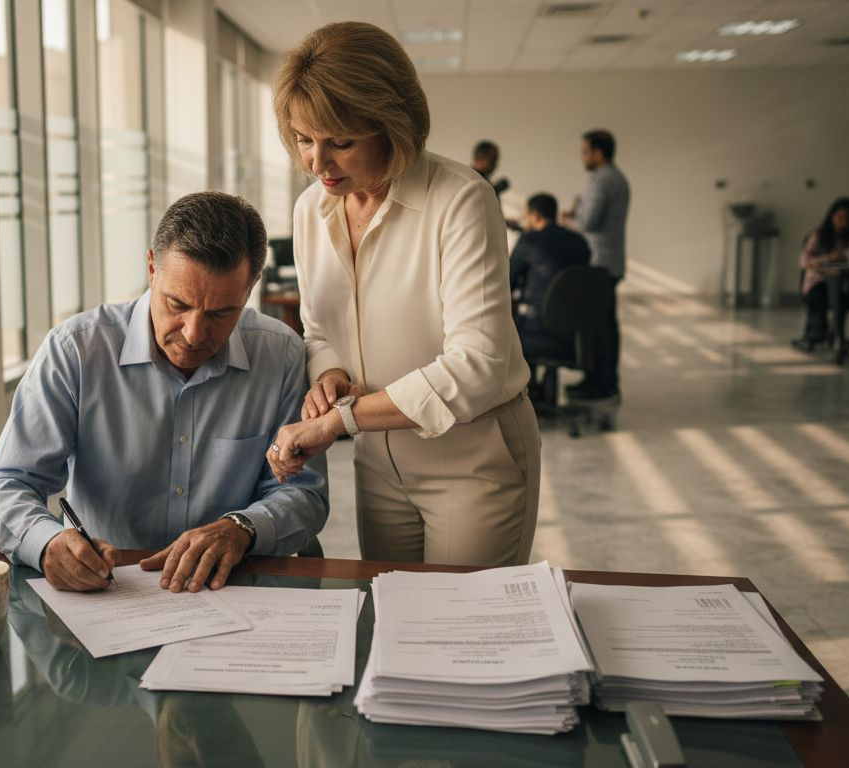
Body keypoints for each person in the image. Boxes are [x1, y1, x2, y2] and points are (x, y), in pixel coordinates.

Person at [265, 21, 542, 567]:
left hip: (472, 458)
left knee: (462, 636)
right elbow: (320, 329)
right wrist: (328, 375)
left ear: (393, 126)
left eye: (340, 143)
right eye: (304, 140)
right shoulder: (309, 210)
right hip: (377, 461)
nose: (317, 163)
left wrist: (339, 420)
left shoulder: (460, 199)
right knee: (397, 620)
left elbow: (479, 365)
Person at [0, 192, 328, 593]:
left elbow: (303, 494)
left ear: (249, 291)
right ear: (150, 269)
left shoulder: (280, 354)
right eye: (177, 304)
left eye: (220, 313)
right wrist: (46, 542)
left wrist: (242, 527)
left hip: (231, 588)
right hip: (108, 592)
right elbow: (4, 486)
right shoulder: (76, 350)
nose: (194, 335)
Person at [560, 128, 629, 399]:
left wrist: (568, 217)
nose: (583, 157)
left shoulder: (600, 180)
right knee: (605, 325)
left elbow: (588, 223)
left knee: (599, 328)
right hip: (612, 261)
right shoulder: (618, 178)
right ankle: (603, 381)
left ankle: (601, 385)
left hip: (598, 262)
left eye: (585, 151)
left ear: (598, 153)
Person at [510, 192, 591, 376]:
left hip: (535, 331)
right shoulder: (579, 242)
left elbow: (506, 283)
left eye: (526, 215)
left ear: (534, 215)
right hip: (575, 335)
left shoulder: (529, 241)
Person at [794, 196, 849, 350]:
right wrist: (829, 258)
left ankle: (841, 338)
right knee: (825, 296)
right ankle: (818, 335)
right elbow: (803, 261)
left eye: (848, 219)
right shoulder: (818, 235)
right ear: (832, 216)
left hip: (845, 283)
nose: (844, 222)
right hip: (819, 283)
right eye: (840, 217)